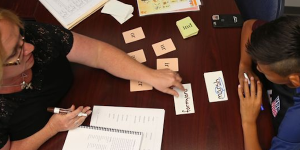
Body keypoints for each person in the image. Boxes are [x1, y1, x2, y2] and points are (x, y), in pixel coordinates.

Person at [0, 8, 184, 150]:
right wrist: (52, 128)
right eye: (16, 53)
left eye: (21, 37)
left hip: (82, 92)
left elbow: (98, 53)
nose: (30, 47)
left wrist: (150, 75)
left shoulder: (35, 36)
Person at [238, 15, 300, 150]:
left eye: (265, 72)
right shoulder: (285, 38)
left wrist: (248, 121)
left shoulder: (294, 122)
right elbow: (249, 25)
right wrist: (245, 66)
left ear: (294, 80)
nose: (258, 68)